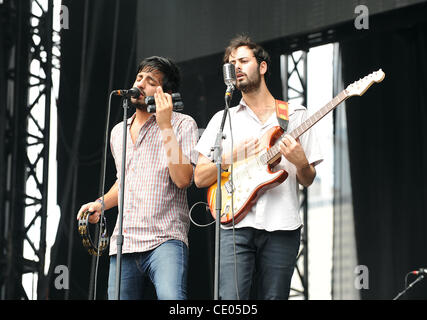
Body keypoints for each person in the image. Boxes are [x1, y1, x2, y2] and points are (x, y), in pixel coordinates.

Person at [194, 35, 323, 300]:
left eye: (243, 60)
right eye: (232, 64)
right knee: (231, 300)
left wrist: (300, 162)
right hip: (234, 226)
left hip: (282, 225)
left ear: (262, 67)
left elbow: (308, 179)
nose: (237, 67)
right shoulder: (222, 119)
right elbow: (199, 177)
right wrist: (232, 156)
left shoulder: (296, 114)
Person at [77, 56, 199, 300]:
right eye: (139, 77)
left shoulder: (183, 124)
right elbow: (125, 182)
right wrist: (100, 203)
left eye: (151, 81)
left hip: (166, 239)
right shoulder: (118, 131)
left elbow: (183, 179)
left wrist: (165, 125)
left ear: (166, 93)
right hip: (125, 242)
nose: (141, 84)